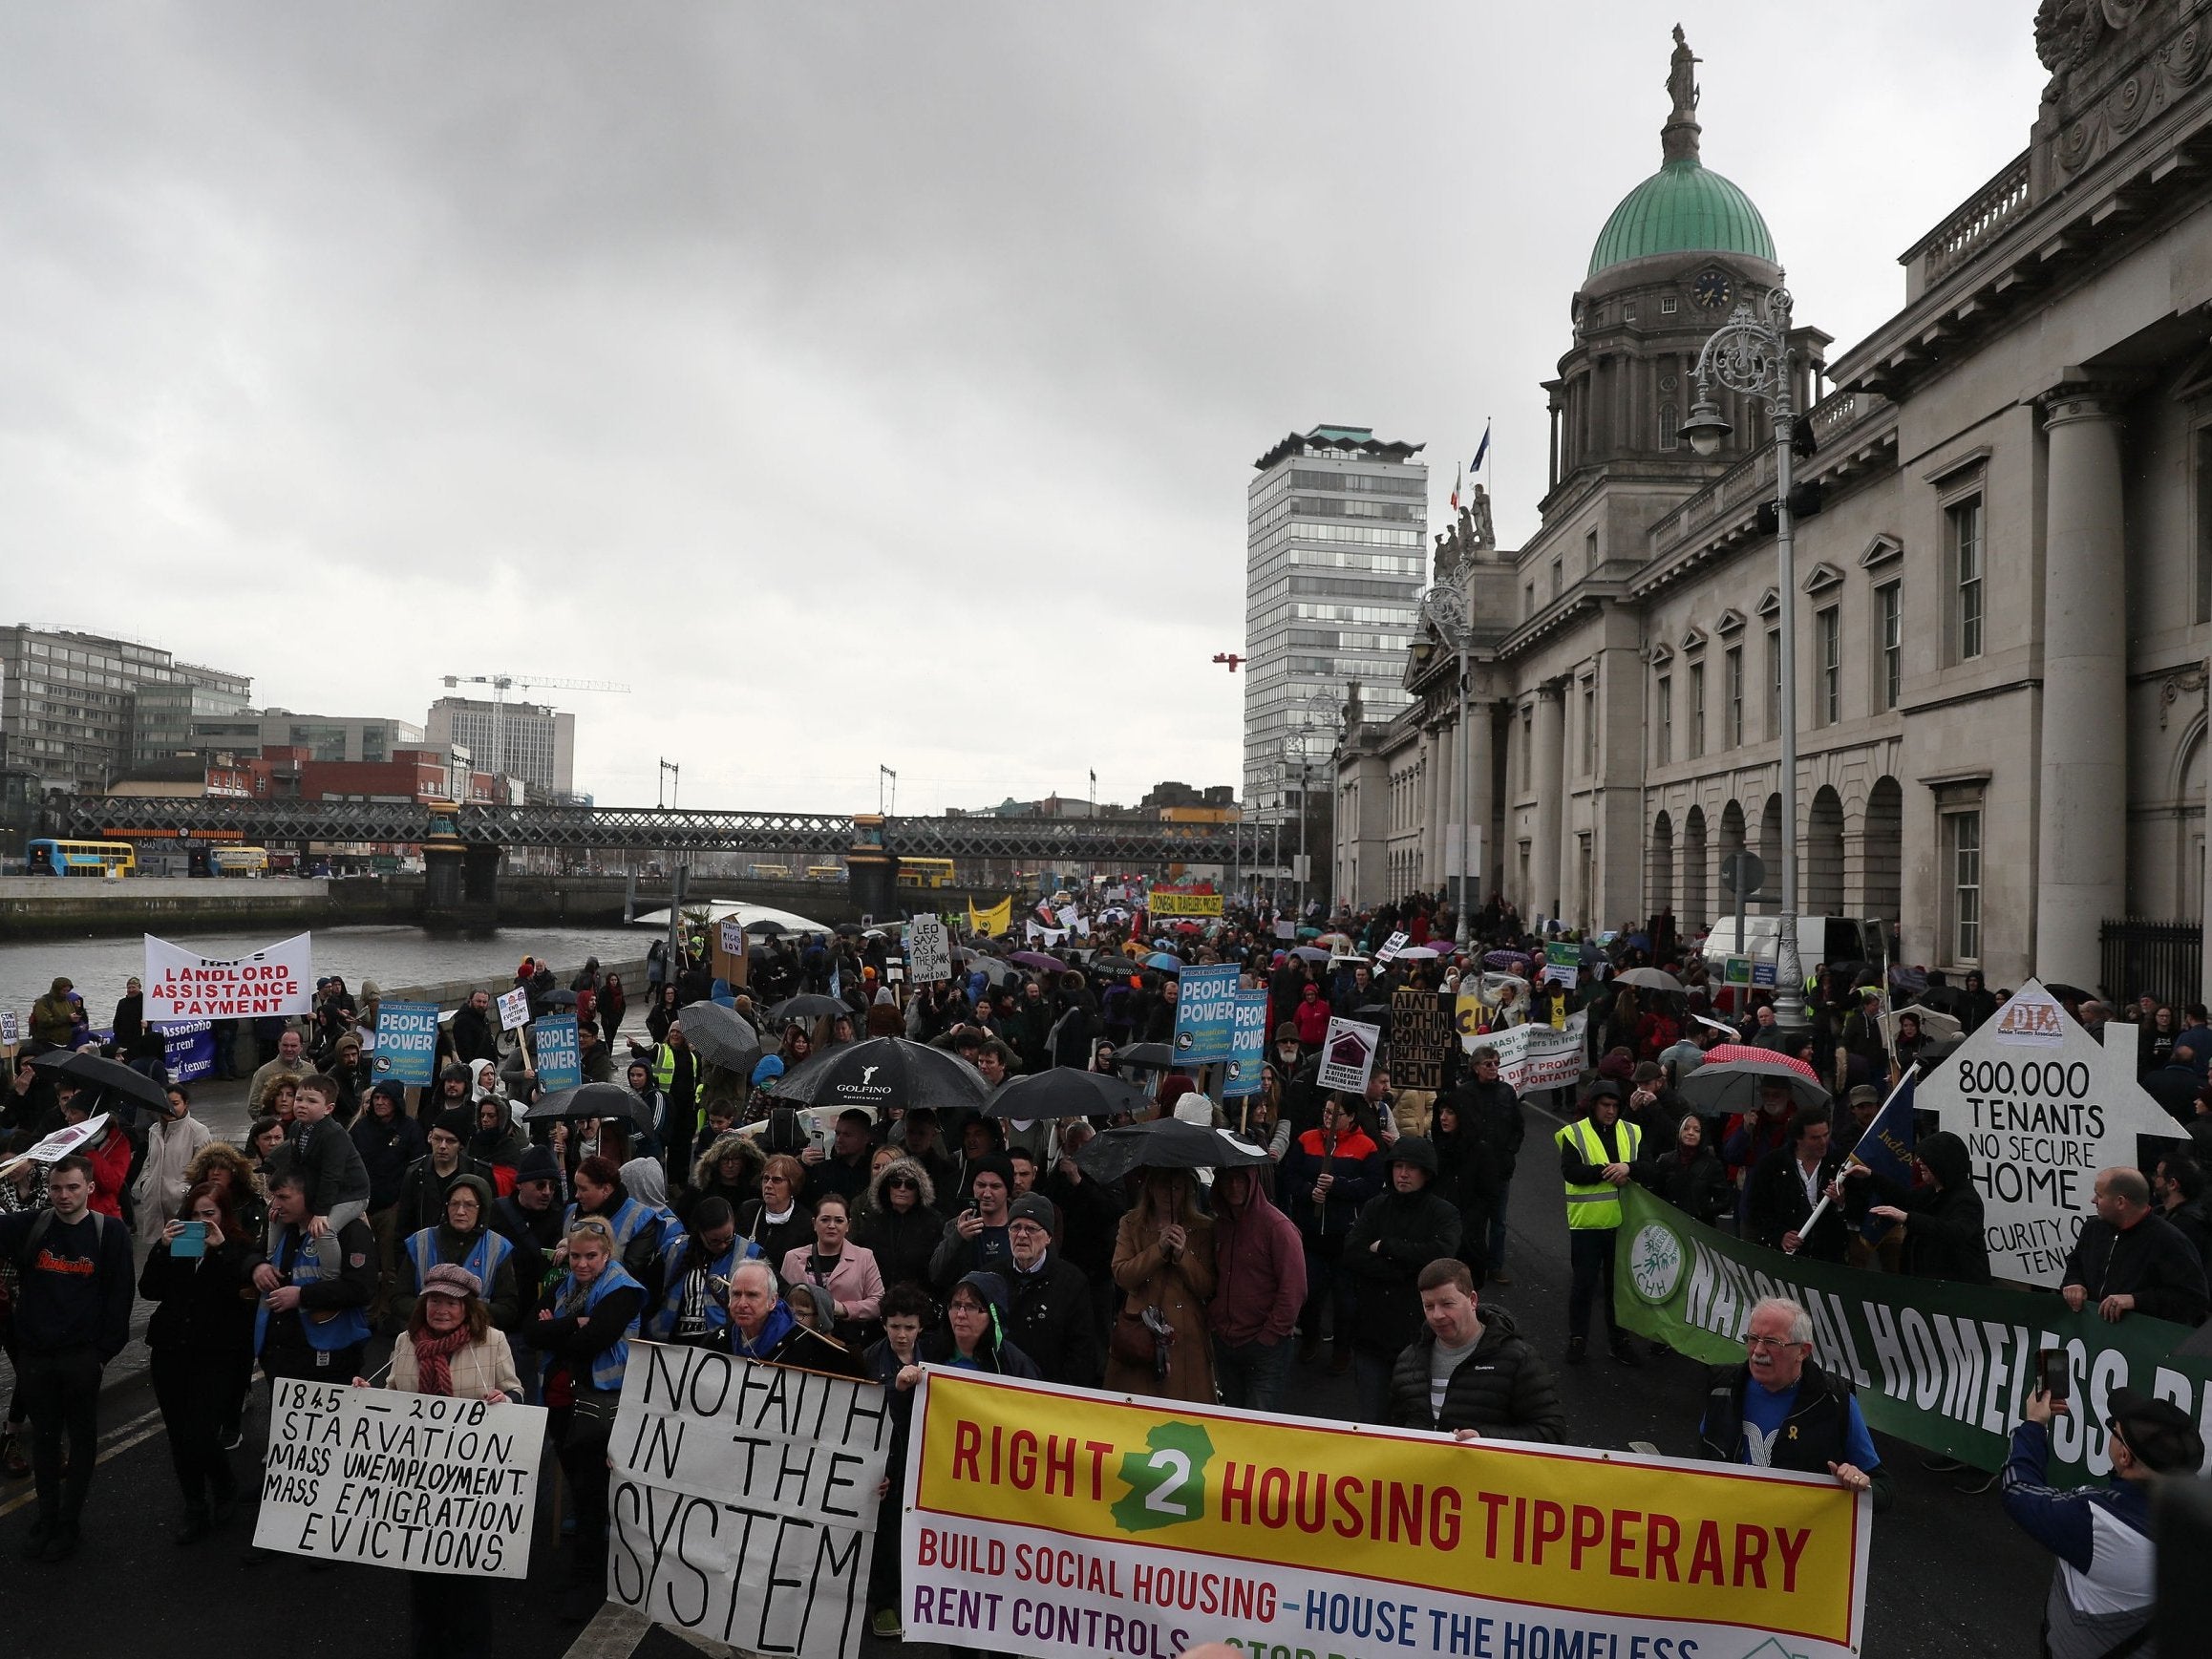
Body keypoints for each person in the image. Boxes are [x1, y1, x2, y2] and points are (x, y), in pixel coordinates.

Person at [358, 1263, 524, 1659]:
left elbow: (515, 1390)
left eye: (451, 1301)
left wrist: (507, 1401)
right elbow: (393, 1393)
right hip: (418, 1483)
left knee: (468, 1584)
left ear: (467, 1306)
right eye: (434, 1299)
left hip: (471, 1486)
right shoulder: (405, 1342)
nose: (442, 1309)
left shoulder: (492, 1341)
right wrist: (365, 1399)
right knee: (425, 1582)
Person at [2001, 1383, 2198, 1658]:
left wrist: (2034, 1422)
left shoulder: (2098, 1522)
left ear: (2124, 1456)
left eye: (2113, 1430)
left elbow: (2017, 1490)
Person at [0, 1157, 134, 1562]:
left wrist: (103, 1354)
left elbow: (120, 1295)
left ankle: (69, 1522)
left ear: (90, 1188)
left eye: (73, 1187)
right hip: (36, 1355)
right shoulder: (34, 1223)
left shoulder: (109, 1232)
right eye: (57, 1188)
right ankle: (47, 1515)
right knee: (43, 1440)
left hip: (81, 1357)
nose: (64, 1196)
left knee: (81, 1439)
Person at [538, 1216, 645, 1621]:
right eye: (576, 1256)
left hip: (600, 1402)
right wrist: (572, 1325)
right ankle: (586, 1575)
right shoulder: (566, 1284)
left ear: (607, 1254)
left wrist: (559, 1330)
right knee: (582, 1490)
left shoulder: (624, 1291)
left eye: (591, 1257)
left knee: (592, 1493)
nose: (581, 1265)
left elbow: (591, 1343)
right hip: (562, 1397)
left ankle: (589, 1582)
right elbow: (532, 1330)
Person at [1697, 1296, 1891, 1511]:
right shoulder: (1722, 1388)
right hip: (1732, 1533)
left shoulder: (1835, 1400)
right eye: (1753, 1338)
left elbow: (1883, 1489)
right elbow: (1700, 1465)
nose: (1758, 1351)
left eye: (1772, 1342)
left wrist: (1859, 1482)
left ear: (1803, 1351)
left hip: (1796, 1540)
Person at [141, 1180, 255, 1543]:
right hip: (172, 1350)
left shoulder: (237, 1247)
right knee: (178, 1435)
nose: (204, 1221)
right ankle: (194, 1505)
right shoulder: (179, 1245)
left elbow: (238, 1295)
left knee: (202, 1433)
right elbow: (149, 1290)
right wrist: (161, 1248)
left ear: (224, 1214)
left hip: (215, 1354)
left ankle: (223, 1484)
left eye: (211, 1213)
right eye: (196, 1214)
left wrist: (221, 1253)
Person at [1342, 1138, 1463, 1423]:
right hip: (1371, 1333)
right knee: (1372, 1423)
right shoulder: (1376, 1207)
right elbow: (1352, 1253)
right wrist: (1404, 1269)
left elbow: (1442, 1257)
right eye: (1398, 1166)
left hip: (1420, 1340)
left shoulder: (1443, 1213)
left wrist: (1385, 1247)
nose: (1403, 1174)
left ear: (1427, 1173)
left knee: (1415, 1423)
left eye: (1411, 1168)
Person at [1387, 1258, 1564, 1443]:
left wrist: (1483, 1439)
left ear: (1472, 1300)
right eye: (1428, 1306)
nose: (1437, 1315)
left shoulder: (1518, 1359)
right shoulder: (1408, 1361)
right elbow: (1393, 1428)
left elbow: (1551, 1432)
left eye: (1447, 1304)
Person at [1281, 1094, 1382, 1371]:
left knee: (1345, 1301)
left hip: (1346, 1238)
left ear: (1350, 1117)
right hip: (1311, 1235)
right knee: (1310, 1294)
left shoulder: (1366, 1147)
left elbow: (1372, 1186)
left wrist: (1338, 1186)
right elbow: (1290, 1176)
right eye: (1326, 1111)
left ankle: (1342, 1349)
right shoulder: (1306, 1140)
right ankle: (1311, 1338)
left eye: (1335, 1113)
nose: (1328, 1116)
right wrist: (1308, 1192)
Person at [1105, 1169, 1216, 1403]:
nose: (1170, 1194)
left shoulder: (1204, 1228)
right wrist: (1158, 1250)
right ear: (1151, 1189)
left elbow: (1206, 1286)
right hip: (1141, 1336)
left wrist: (1182, 1255)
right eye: (1163, 1186)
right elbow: (1122, 1275)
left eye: (1177, 1188)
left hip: (1184, 1339)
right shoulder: (1131, 1223)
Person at [1555, 1079, 1642, 1366]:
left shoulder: (1631, 1132)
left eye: (1616, 1106)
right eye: (1606, 1105)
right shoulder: (1574, 1133)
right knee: (1584, 1286)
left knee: (1617, 1289)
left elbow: (1650, 1166)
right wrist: (1607, 1171)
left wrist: (1629, 1168)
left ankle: (1619, 1341)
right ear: (1593, 1106)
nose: (1611, 1111)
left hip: (1622, 1225)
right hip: (1588, 1225)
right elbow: (1571, 1171)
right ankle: (1577, 1339)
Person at [1206, 1163, 1306, 1411]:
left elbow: (1294, 1289)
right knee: (1232, 1420)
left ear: (1253, 1183)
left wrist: (1270, 1334)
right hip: (1226, 1341)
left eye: (1241, 1179)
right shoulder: (1219, 1227)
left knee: (1258, 1427)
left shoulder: (1277, 1227)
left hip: (1265, 1345)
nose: (1234, 1186)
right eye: (1228, 1179)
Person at [863, 1287, 931, 1640]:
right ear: (884, 1325)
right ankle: (884, 1604)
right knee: (887, 1535)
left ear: (920, 1328)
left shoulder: (936, 1358)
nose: (901, 1335)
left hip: (926, 1462)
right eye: (894, 1327)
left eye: (909, 1327)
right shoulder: (869, 1360)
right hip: (889, 1463)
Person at [2061, 1166, 2209, 1326]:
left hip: (2140, 1339)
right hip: (2093, 1335)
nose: (2093, 1200)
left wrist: (2136, 1301)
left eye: (2099, 1195)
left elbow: (2193, 1300)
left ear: (2120, 1202)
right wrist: (2074, 1283)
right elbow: (2076, 1263)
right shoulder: (2093, 1228)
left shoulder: (2168, 1240)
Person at [1848, 1130, 1990, 1282]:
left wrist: (1907, 1218)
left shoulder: (1967, 1200)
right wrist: (1870, 1176)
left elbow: (1954, 1232)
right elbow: (1905, 1198)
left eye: (1926, 1159)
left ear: (1943, 1164)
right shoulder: (1932, 1190)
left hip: (1959, 1288)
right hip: (1928, 1282)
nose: (1918, 1162)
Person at [394, 1173, 519, 1331]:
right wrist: (433, 1312)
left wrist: (464, 1312)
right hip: (425, 1334)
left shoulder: (499, 1247)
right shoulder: (420, 1241)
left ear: (483, 1209)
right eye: (454, 1204)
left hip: (477, 1335)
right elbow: (398, 1299)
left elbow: (508, 1308)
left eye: (469, 1205)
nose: (460, 1211)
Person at [1000, 1192, 1100, 1388]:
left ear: (1048, 1237)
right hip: (998, 1392)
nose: (1021, 1235)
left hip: (1049, 1396)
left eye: (1031, 1229)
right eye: (1015, 1227)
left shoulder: (1072, 1281)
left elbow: (1082, 1352)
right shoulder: (992, 1275)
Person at [713, 1257, 862, 1374]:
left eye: (752, 1295)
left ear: (772, 1301)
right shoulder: (717, 1341)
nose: (742, 1303)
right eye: (736, 1294)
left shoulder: (807, 1348)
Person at [1745, 1104, 1848, 1262]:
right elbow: (1756, 1210)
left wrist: (1842, 1201)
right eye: (1815, 1138)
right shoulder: (1772, 1164)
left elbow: (1857, 1207)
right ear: (1798, 1139)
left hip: (1828, 1257)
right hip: (1786, 1258)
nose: (1823, 1142)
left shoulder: (1839, 1163)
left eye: (1826, 1135)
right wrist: (1780, 1235)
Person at [650, 1197, 757, 1346]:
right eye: (714, 1241)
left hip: (723, 1344)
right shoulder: (673, 1251)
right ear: (700, 1233)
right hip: (671, 1343)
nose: (723, 1246)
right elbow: (648, 1297)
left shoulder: (752, 1254)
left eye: (728, 1238)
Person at [897, 1269, 1039, 1380]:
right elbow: (907, 1414)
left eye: (971, 1307)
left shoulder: (1015, 1364)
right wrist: (901, 1391)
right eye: (956, 1305)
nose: (961, 1314)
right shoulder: (926, 1352)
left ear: (992, 1315)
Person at [781, 1192, 883, 1345]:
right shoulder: (793, 1257)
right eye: (825, 1219)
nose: (831, 1226)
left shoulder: (865, 1257)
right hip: (800, 1340)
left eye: (839, 1220)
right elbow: (781, 1302)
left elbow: (878, 1302)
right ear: (814, 1223)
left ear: (848, 1225)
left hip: (846, 1341)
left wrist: (844, 1309)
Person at [132, 1082, 214, 1253]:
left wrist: (184, 1192)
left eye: (175, 1103)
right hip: (155, 1208)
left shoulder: (198, 1131)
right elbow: (149, 1161)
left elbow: (204, 1170)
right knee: (159, 1258)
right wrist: (146, 1183)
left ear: (186, 1104)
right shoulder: (154, 1130)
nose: (169, 1109)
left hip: (182, 1208)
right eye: (165, 1104)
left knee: (185, 1257)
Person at [394, 1110, 493, 1242]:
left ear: (461, 1145)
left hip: (468, 1250)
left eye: (450, 1141)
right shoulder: (415, 1173)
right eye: (438, 1139)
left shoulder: (478, 1173)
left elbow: (488, 1220)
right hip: (426, 1248)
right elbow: (403, 1224)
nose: (442, 1146)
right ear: (430, 1137)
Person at [855, 1156, 944, 1296]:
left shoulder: (934, 1222)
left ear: (919, 1189)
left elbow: (937, 1269)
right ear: (887, 1187)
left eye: (910, 1184)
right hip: (877, 1300)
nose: (902, 1189)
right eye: (896, 1183)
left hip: (918, 1302)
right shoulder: (873, 1222)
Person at [928, 1153, 1016, 1291]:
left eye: (995, 1186)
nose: (987, 1194)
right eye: (981, 1185)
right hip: (967, 1306)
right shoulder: (957, 1225)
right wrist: (958, 1238)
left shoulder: (1021, 1226)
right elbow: (936, 1275)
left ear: (1008, 1190)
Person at [1633, 1113, 1733, 1228]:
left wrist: (1703, 1210)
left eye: (1696, 1130)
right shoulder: (1665, 1160)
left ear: (1702, 1135)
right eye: (1686, 1128)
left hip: (1700, 1228)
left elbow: (1724, 1201)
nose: (1690, 1133)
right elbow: (1654, 1192)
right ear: (1679, 1132)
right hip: (1670, 1225)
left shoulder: (1712, 1165)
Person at [736, 1153, 815, 1271]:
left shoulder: (805, 1222)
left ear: (792, 1185)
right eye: (766, 1178)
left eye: (776, 1180)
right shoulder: (748, 1211)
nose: (768, 1185)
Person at [245, 1027, 310, 1112]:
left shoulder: (310, 1070)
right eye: (285, 1045)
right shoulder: (264, 1072)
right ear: (279, 1045)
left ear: (301, 1047)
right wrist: (271, 1122)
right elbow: (253, 1106)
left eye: (293, 1046)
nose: (289, 1049)